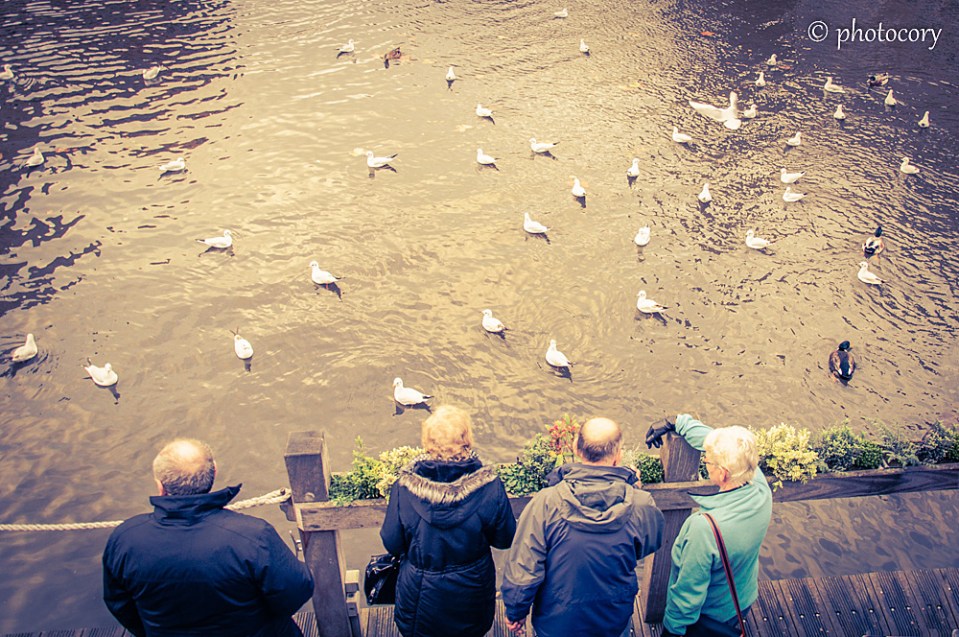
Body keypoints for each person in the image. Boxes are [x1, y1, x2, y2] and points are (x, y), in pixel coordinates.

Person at [102, 439, 314, 637]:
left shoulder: (125, 539)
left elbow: (119, 604)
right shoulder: (252, 536)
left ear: (160, 486)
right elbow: (297, 591)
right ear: (214, 472)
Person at [502, 417, 665, 637]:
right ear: (618, 455)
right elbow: (649, 544)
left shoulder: (546, 502)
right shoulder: (641, 504)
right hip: (612, 618)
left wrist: (516, 612)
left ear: (576, 448)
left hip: (557, 622)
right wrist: (632, 486)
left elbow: (524, 567)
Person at [380, 405, 517, 637]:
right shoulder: (489, 485)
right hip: (471, 591)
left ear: (428, 441)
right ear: (466, 439)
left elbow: (392, 542)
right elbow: (505, 539)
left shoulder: (404, 488)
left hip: (421, 594)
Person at [645, 414, 772, 637]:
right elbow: (723, 444)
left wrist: (672, 630)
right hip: (740, 601)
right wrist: (677, 421)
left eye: (708, 461)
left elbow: (687, 594)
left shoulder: (703, 529)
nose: (705, 462)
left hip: (709, 617)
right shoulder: (760, 488)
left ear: (722, 473)